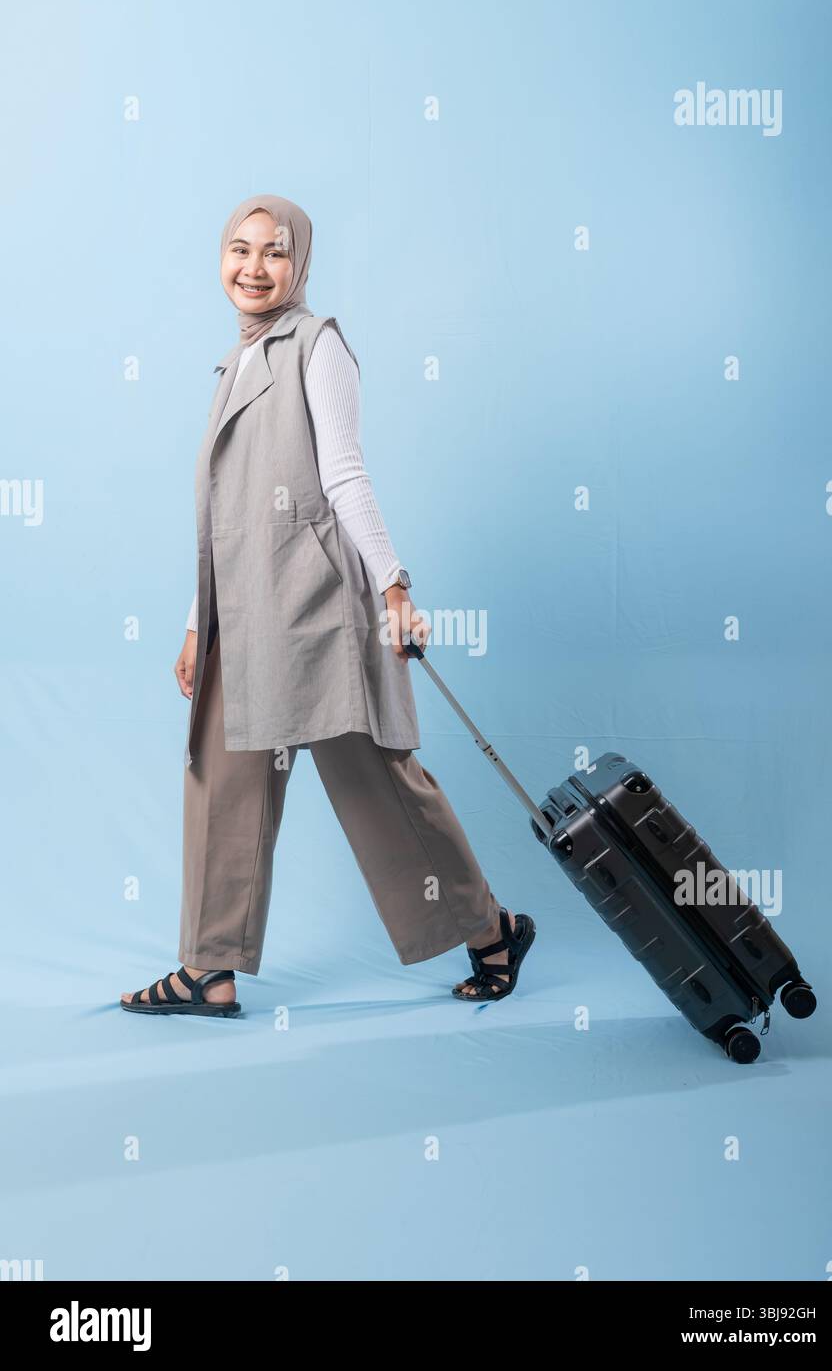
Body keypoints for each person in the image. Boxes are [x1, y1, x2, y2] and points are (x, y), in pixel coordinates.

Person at [120, 194, 535, 1017]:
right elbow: (222, 516)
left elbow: (345, 474)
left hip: (314, 610)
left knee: (379, 783)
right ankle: (210, 969)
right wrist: (198, 626)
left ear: (300, 264)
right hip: (240, 621)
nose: (254, 268)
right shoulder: (233, 365)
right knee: (223, 780)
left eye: (275, 252)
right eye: (239, 250)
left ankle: (492, 930)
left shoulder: (321, 345)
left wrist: (395, 585)